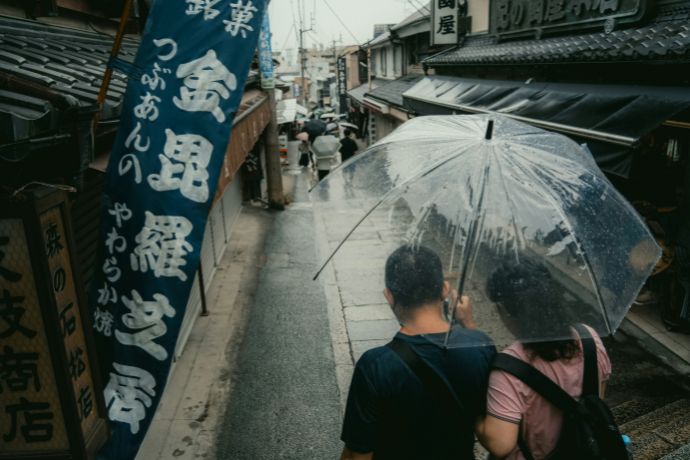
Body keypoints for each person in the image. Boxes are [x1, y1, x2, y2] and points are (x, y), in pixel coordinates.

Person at [340, 244, 496, 460]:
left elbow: (358, 454)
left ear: (389, 296)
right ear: (444, 290)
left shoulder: (375, 364)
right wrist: (468, 324)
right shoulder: (481, 346)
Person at [474, 259, 612, 460]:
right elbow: (595, 402)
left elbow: (500, 445)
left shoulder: (508, 370)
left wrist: (476, 416)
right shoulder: (589, 339)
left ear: (505, 312)